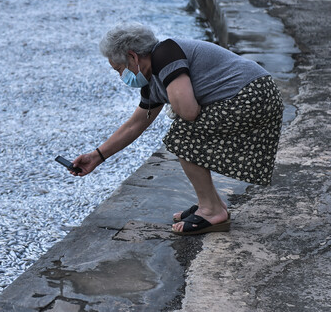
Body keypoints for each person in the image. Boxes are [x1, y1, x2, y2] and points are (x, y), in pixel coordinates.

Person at [71, 23, 284, 235]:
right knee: (185, 133)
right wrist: (97, 156)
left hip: (252, 95)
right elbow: (136, 124)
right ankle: (211, 203)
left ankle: (211, 209)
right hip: (250, 94)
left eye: (119, 69)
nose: (121, 77)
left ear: (133, 56)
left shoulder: (166, 54)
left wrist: (173, 102)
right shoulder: (153, 78)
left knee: (182, 135)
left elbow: (189, 112)